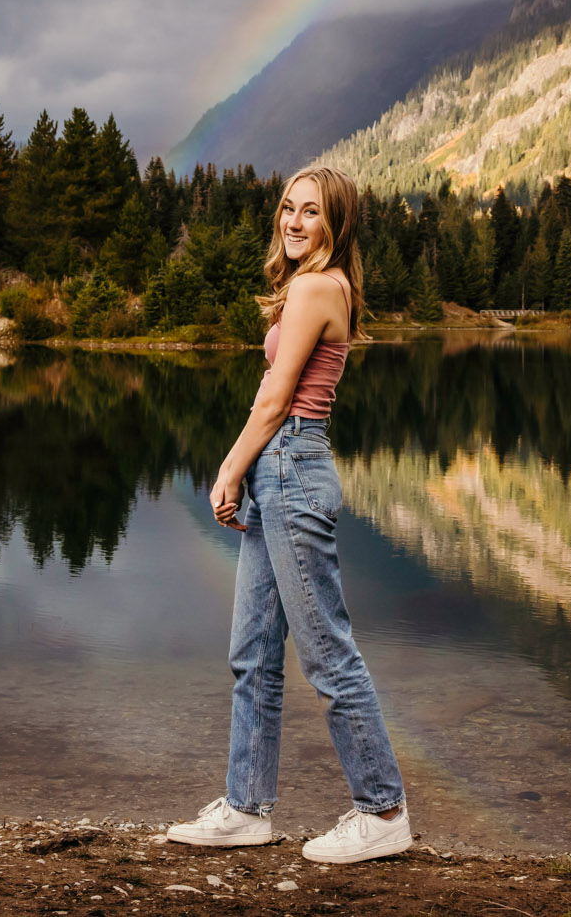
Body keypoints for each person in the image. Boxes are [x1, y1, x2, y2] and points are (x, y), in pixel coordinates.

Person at [167, 165, 411, 865]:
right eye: (287, 208)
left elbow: (276, 401)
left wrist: (227, 468)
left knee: (327, 652)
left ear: (336, 225)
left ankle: (383, 808)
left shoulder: (313, 288)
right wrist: (251, 470)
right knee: (253, 652)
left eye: (311, 212)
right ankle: (247, 807)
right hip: (283, 468)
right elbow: (272, 397)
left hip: (291, 468)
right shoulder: (320, 287)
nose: (294, 222)